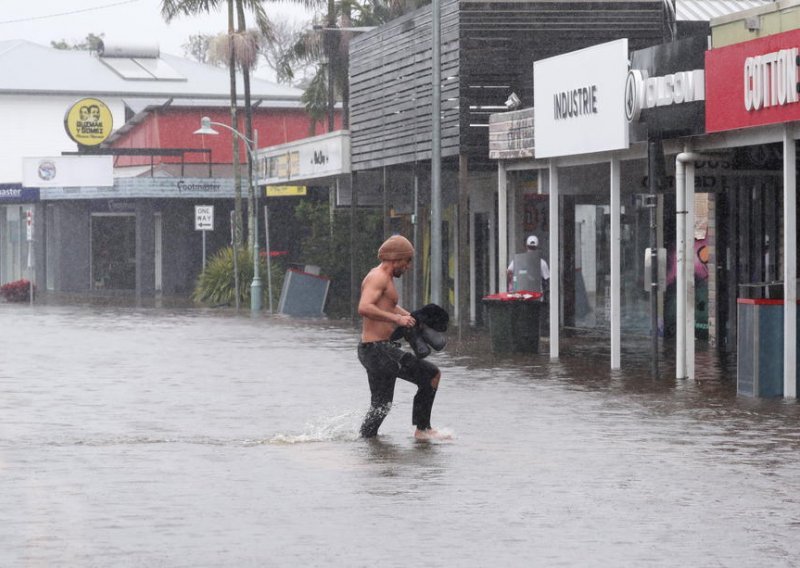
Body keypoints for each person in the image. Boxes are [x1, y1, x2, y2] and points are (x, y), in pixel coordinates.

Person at [357, 235, 445, 440]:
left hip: (373, 350)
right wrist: (397, 319)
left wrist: (410, 318)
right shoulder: (378, 277)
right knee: (431, 375)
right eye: (407, 262)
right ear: (396, 259)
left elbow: (387, 305)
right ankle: (423, 430)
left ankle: (366, 443)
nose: (407, 267)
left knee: (381, 406)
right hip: (379, 350)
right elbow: (364, 307)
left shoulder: (383, 278)